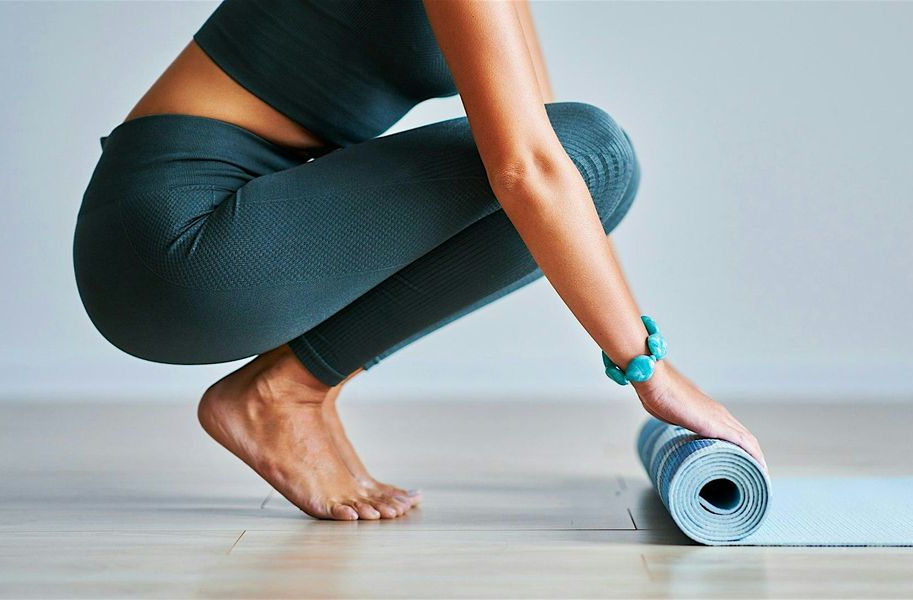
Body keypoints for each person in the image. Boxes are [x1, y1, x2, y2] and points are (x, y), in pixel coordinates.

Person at [73, 0, 767, 522]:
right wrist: (652, 373)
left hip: (218, 242)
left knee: (593, 173)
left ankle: (289, 389)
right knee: (590, 156)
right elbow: (532, 168)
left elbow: (547, 152)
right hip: (172, 242)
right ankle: (286, 392)